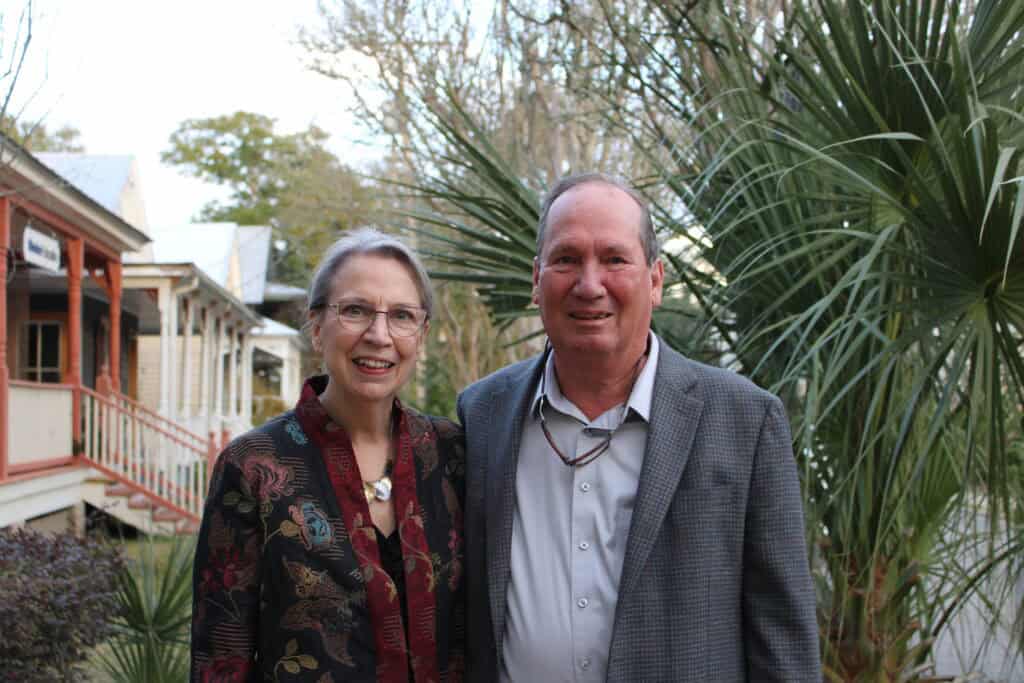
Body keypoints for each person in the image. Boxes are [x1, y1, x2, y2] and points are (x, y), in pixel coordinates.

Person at [457, 173, 820, 682]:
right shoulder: (483, 414)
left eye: (614, 259)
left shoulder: (744, 421)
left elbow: (783, 639)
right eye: (566, 259)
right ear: (536, 280)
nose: (589, 285)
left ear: (655, 279)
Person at [191, 228, 465, 682]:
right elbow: (220, 657)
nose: (379, 335)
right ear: (317, 327)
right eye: (355, 310)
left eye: (401, 315)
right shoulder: (255, 466)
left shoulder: (451, 454)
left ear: (422, 335)